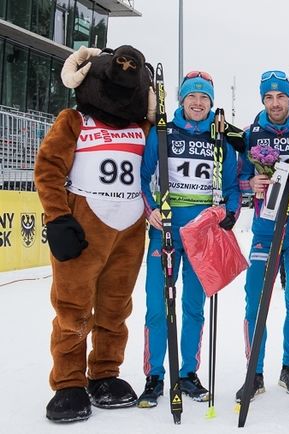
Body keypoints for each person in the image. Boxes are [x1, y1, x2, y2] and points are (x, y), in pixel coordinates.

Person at [36, 45, 153, 423]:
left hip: (130, 229)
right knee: (72, 307)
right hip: (84, 224)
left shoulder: (143, 128)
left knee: (116, 307)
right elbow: (49, 168)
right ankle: (69, 380)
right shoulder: (74, 120)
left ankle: (104, 372)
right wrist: (57, 217)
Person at [138, 71, 242, 408]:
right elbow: (143, 176)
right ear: (182, 99)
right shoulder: (162, 132)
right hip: (165, 229)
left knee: (193, 306)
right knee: (157, 305)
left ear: (211, 102)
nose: (198, 103)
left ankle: (188, 373)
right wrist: (150, 209)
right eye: (192, 97)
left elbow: (231, 184)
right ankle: (155, 374)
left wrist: (231, 213)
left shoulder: (220, 136)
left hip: (202, 233)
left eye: (204, 98)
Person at [235, 70, 289, 402]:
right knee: (256, 300)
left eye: (281, 96)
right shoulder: (251, 134)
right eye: (269, 97)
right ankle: (254, 372)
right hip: (265, 229)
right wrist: (249, 185)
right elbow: (235, 179)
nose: (275, 103)